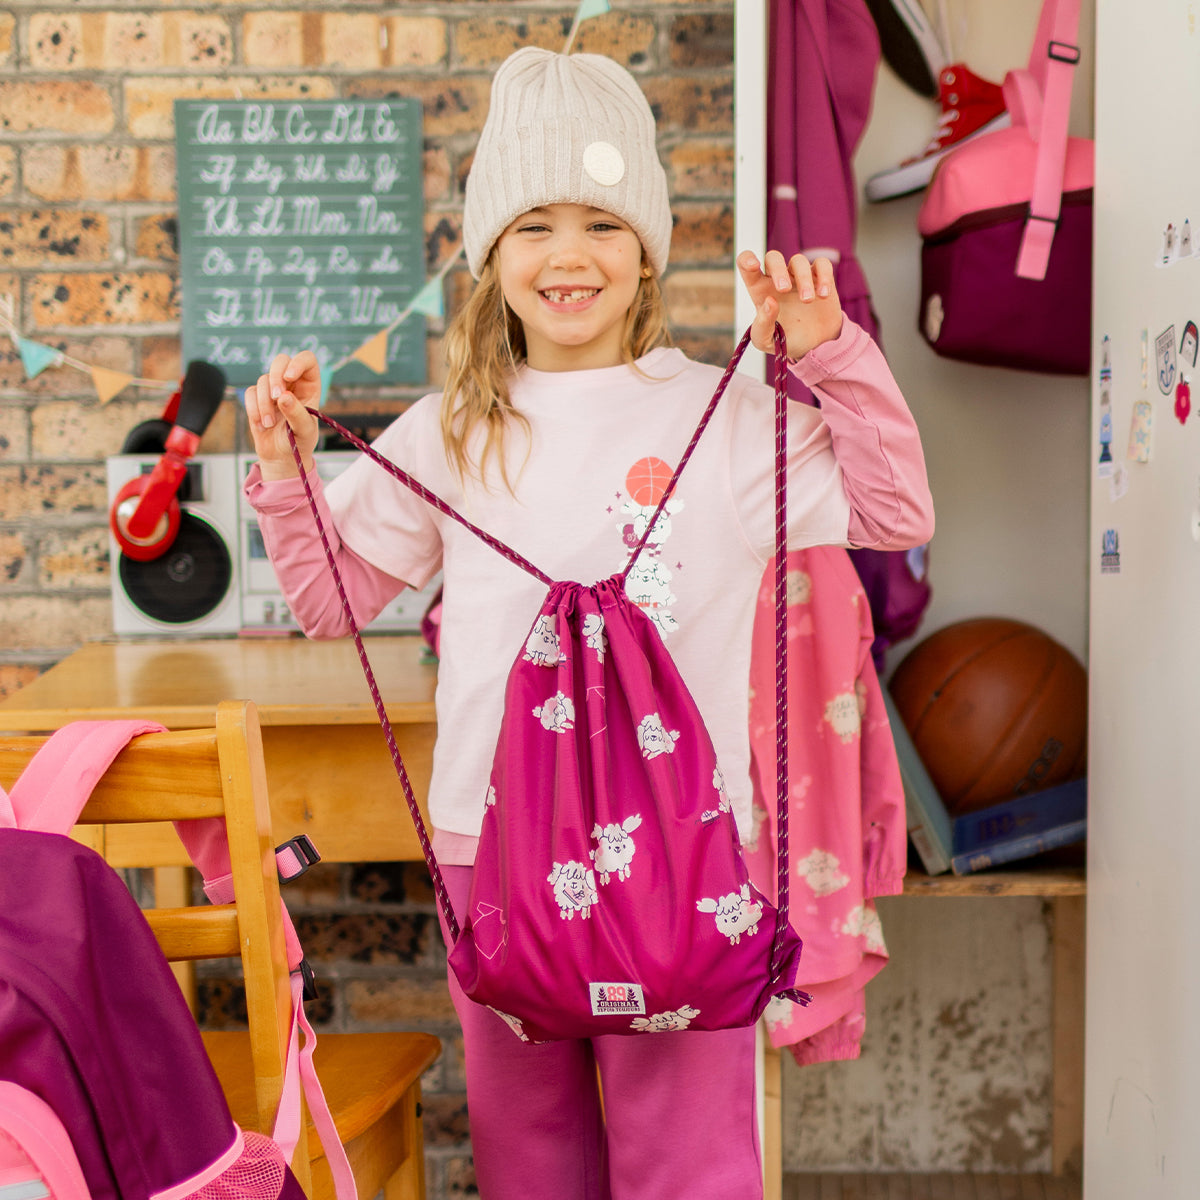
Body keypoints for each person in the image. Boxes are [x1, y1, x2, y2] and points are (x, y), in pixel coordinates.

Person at [242, 46, 933, 1200]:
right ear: (491, 254)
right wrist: (282, 469)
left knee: (687, 1161)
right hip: (490, 845)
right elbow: (330, 604)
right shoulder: (450, 431)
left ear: (647, 249)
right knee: (531, 1157)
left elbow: (896, 509)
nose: (570, 257)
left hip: (688, 847)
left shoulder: (726, 415)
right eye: (535, 226)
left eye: (603, 225)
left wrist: (831, 353)